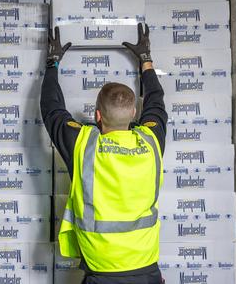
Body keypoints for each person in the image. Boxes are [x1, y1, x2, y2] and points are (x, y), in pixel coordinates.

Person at [40, 24, 167, 284]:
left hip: (101, 272)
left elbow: (52, 109)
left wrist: (52, 63)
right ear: (134, 114)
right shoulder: (151, 141)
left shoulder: (83, 144)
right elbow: (157, 103)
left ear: (97, 116)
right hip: (147, 270)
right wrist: (146, 60)